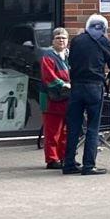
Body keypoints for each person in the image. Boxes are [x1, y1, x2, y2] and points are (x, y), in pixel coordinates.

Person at [60, 14, 110, 175]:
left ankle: (69, 163)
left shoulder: (77, 40)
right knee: (93, 127)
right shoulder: (103, 41)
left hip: (76, 87)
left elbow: (70, 61)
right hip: (94, 87)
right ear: (104, 28)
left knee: (73, 127)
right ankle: (88, 166)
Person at [38, 27, 72, 170]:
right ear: (53, 40)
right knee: (53, 131)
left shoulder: (69, 55)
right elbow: (49, 77)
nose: (61, 40)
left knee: (65, 131)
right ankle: (52, 159)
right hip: (51, 99)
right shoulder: (48, 56)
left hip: (66, 99)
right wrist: (63, 84)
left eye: (64, 38)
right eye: (58, 38)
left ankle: (63, 156)